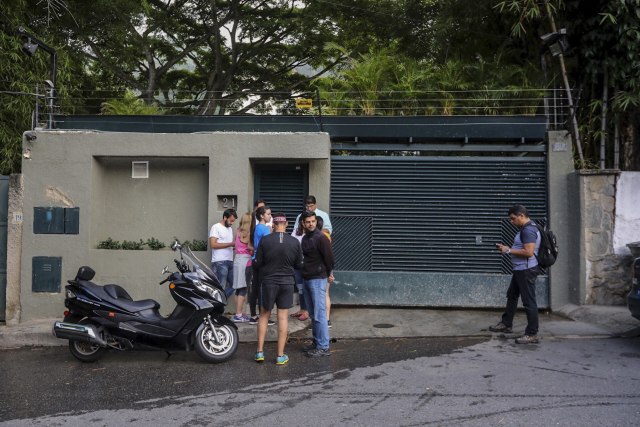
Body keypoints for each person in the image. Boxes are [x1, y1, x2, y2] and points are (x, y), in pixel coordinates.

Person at [253, 213, 303, 365]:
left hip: (268, 282)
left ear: (273, 224)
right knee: (282, 318)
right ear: (286, 224)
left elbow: (258, 262)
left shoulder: (265, 240)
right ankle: (280, 356)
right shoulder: (294, 242)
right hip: (287, 283)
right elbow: (299, 265)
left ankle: (260, 352)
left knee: (264, 315)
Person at [490, 204, 542, 344]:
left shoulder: (528, 230)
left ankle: (532, 334)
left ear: (521, 216)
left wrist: (508, 250)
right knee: (512, 295)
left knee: (529, 302)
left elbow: (529, 252)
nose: (512, 222)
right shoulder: (525, 228)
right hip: (520, 269)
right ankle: (506, 324)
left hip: (526, 270)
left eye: (513, 219)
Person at [301, 210, 335, 357]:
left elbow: (329, 258)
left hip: (318, 278)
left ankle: (323, 346)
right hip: (307, 278)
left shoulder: (321, 238)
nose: (311, 224)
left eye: (313, 221)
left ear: (316, 221)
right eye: (308, 222)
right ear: (303, 223)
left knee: (320, 313)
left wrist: (329, 273)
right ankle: (316, 342)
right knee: (313, 313)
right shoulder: (304, 238)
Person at [248, 205, 274, 326]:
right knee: (262, 289)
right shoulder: (264, 229)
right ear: (262, 216)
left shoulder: (257, 227)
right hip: (263, 261)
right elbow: (269, 245)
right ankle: (264, 317)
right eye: (268, 214)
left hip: (256, 260)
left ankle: (254, 315)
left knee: (256, 288)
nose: (270, 216)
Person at [209, 209, 237, 299]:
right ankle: (216, 308)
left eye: (233, 221)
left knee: (234, 284)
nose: (232, 223)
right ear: (225, 217)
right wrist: (230, 244)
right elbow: (213, 245)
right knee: (220, 287)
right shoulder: (215, 227)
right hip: (219, 262)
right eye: (231, 220)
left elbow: (226, 243)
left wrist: (234, 247)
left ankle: (220, 301)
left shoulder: (230, 229)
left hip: (229, 261)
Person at [231, 212, 253, 322]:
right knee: (243, 289)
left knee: (238, 289)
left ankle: (238, 313)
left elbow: (236, 244)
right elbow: (249, 246)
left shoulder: (238, 231)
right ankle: (238, 316)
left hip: (237, 260)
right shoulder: (249, 233)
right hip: (245, 261)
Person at [290, 214, 309, 322]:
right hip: (297, 264)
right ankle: (302, 309)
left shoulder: (311, 233)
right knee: (300, 288)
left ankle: (306, 311)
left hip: (307, 265)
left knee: (306, 288)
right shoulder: (296, 232)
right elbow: (292, 245)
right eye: (303, 221)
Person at [316, 216, 332, 328]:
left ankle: (321, 320)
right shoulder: (326, 236)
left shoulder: (317, 237)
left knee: (320, 295)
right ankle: (326, 319)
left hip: (321, 269)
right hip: (326, 267)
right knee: (326, 294)